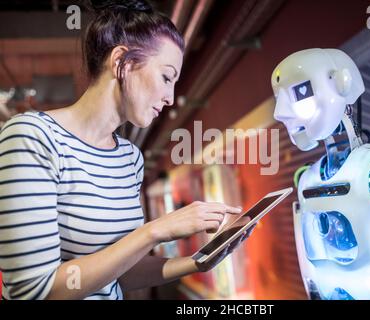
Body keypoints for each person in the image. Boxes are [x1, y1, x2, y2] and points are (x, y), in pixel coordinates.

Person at [0, 0, 252, 300]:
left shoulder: (130, 158)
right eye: (166, 77)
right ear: (122, 62)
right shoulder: (34, 137)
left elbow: (119, 272)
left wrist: (200, 260)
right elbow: (34, 291)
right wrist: (155, 230)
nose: (170, 98)